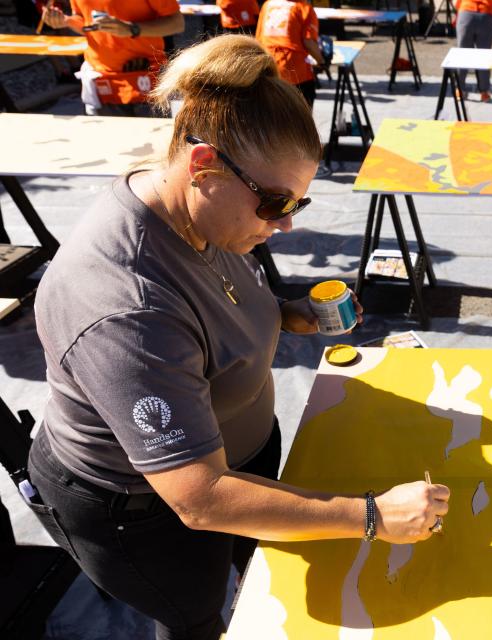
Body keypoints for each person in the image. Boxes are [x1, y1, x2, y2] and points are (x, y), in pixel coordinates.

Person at [26, 35, 450, 640]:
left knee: (256, 577)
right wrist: (372, 515)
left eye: (299, 201)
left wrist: (287, 313)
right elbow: (199, 499)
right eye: (276, 202)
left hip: (233, 464)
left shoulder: (198, 213)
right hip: (144, 515)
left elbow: (211, 313)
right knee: (198, 617)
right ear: (203, 167)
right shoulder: (123, 303)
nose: (285, 224)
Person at [41, 0, 184, 116]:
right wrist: (65, 21)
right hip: (101, 79)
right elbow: (87, 22)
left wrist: (132, 29)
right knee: (110, 146)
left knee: (156, 146)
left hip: (145, 78)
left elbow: (177, 23)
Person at [255, 0, 324, 108]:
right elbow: (309, 42)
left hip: (269, 68)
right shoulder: (304, 8)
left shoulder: (267, 5)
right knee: (302, 118)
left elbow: (258, 39)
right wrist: (321, 61)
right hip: (296, 72)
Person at [454, 0, 492, 103]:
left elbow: (455, 3)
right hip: (486, 13)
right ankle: (484, 92)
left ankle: (460, 89)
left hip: (466, 10)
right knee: (484, 56)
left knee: (463, 55)